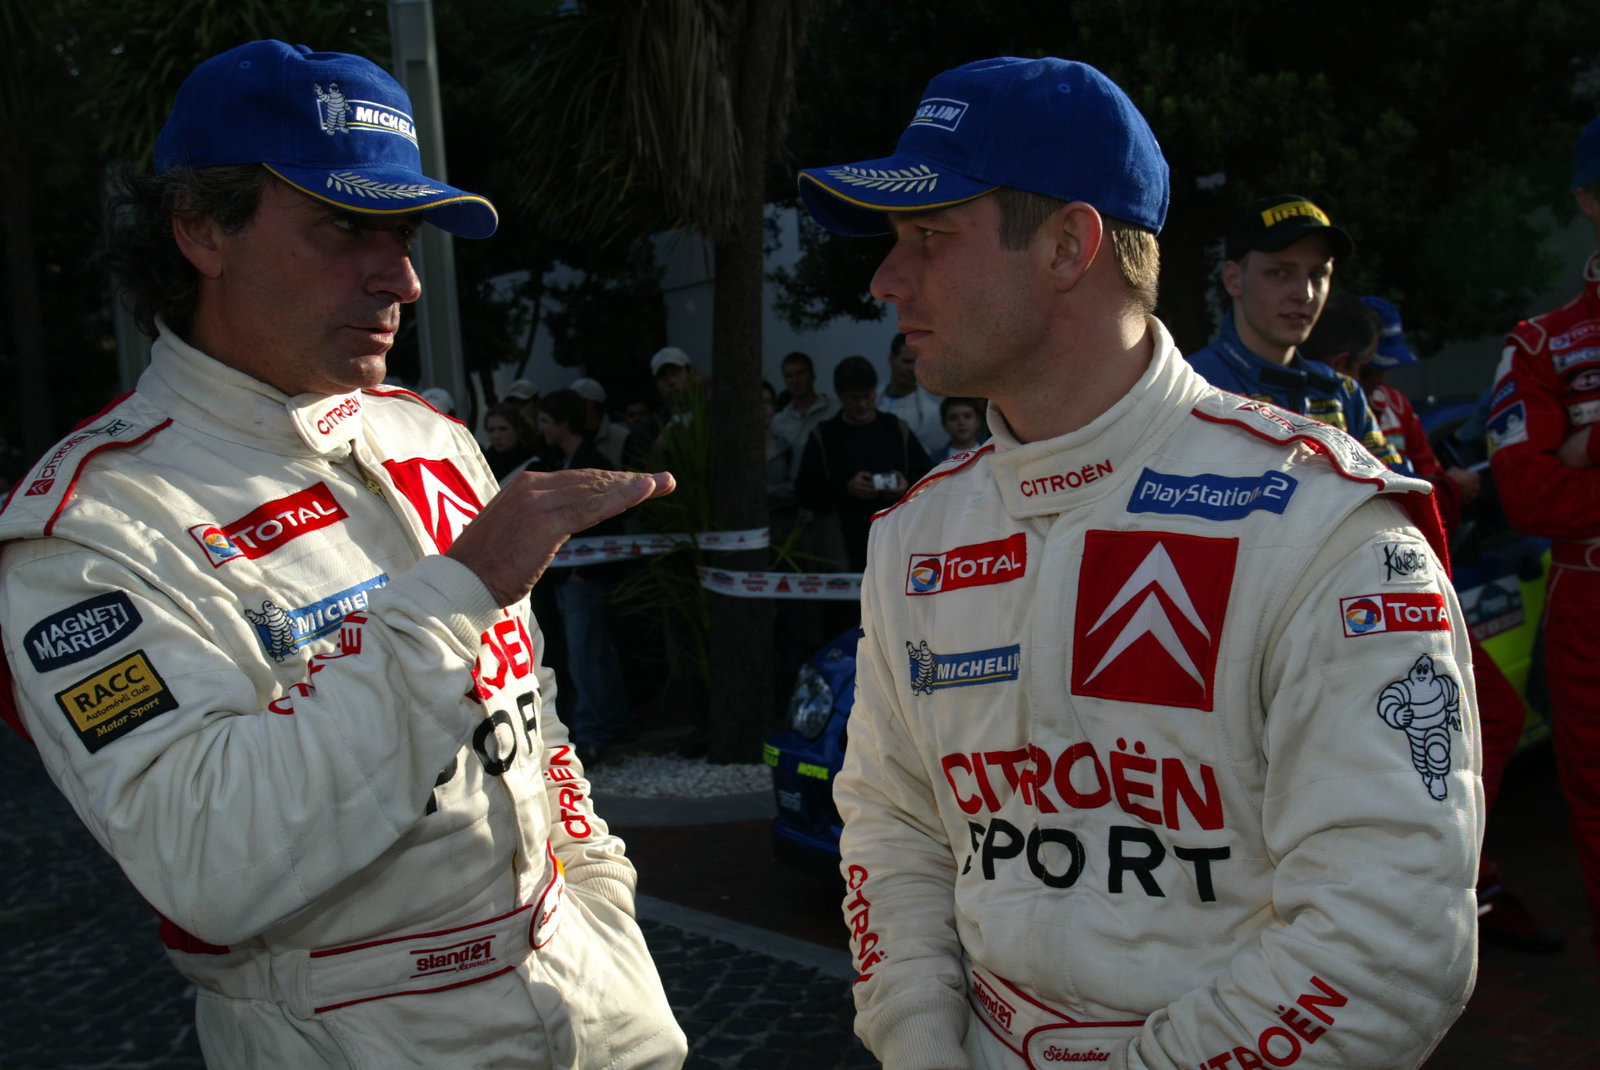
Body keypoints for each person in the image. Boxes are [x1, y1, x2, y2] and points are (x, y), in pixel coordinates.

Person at [0, 41, 685, 1069]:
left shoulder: (429, 435)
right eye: (344, 226)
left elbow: (531, 705)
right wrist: (454, 592)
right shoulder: (89, 528)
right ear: (200, 228)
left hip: (590, 1003)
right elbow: (208, 859)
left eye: (403, 229)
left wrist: (596, 891)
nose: (401, 274)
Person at [797, 55, 1478, 1069]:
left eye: (929, 238)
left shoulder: (1323, 527)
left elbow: (1392, 940)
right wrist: (918, 1043)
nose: (886, 280)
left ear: (1070, 244)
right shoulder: (918, 534)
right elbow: (893, 826)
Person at [1488, 112, 1600, 964]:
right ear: (1589, 200)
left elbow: (1562, 476)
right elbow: (1530, 494)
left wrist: (1587, 443)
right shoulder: (1539, 342)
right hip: (1586, 596)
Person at [1187, 194, 1407, 472]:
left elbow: (1400, 501)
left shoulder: (1343, 392)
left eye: (1317, 275)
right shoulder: (1189, 389)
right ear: (1233, 279)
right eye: (1280, 272)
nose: (1304, 294)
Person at [538, 390, 635, 766]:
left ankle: (593, 731)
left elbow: (608, 522)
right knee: (596, 653)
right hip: (568, 578)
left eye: (546, 421)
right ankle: (615, 720)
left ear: (564, 422)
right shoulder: (558, 461)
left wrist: (581, 570)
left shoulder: (592, 465)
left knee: (586, 656)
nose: (541, 429)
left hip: (586, 578)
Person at [794, 355, 932, 573]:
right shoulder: (824, 436)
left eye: (867, 396)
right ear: (840, 397)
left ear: (875, 390)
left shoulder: (896, 429)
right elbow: (804, 492)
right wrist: (846, 488)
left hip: (894, 544)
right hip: (840, 548)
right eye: (853, 398)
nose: (862, 405)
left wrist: (905, 486)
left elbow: (929, 479)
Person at [770, 350, 839, 476]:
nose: (795, 380)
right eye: (789, 376)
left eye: (800, 374)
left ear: (812, 376)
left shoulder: (834, 410)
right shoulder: (778, 422)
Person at [878, 332, 947, 454]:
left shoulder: (931, 413)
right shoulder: (870, 403)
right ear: (892, 358)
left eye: (915, 363)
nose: (911, 368)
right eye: (906, 361)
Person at [570, 376, 627, 467]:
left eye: (573, 402)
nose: (569, 408)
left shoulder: (622, 437)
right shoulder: (573, 435)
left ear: (589, 404)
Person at [483, 399, 541, 481]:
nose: (496, 436)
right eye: (491, 430)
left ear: (518, 429)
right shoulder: (483, 463)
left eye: (503, 429)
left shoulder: (534, 463)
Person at [929, 395, 986, 464]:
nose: (961, 422)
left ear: (978, 420)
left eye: (967, 416)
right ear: (944, 424)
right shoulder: (933, 461)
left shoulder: (994, 452)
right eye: (953, 418)